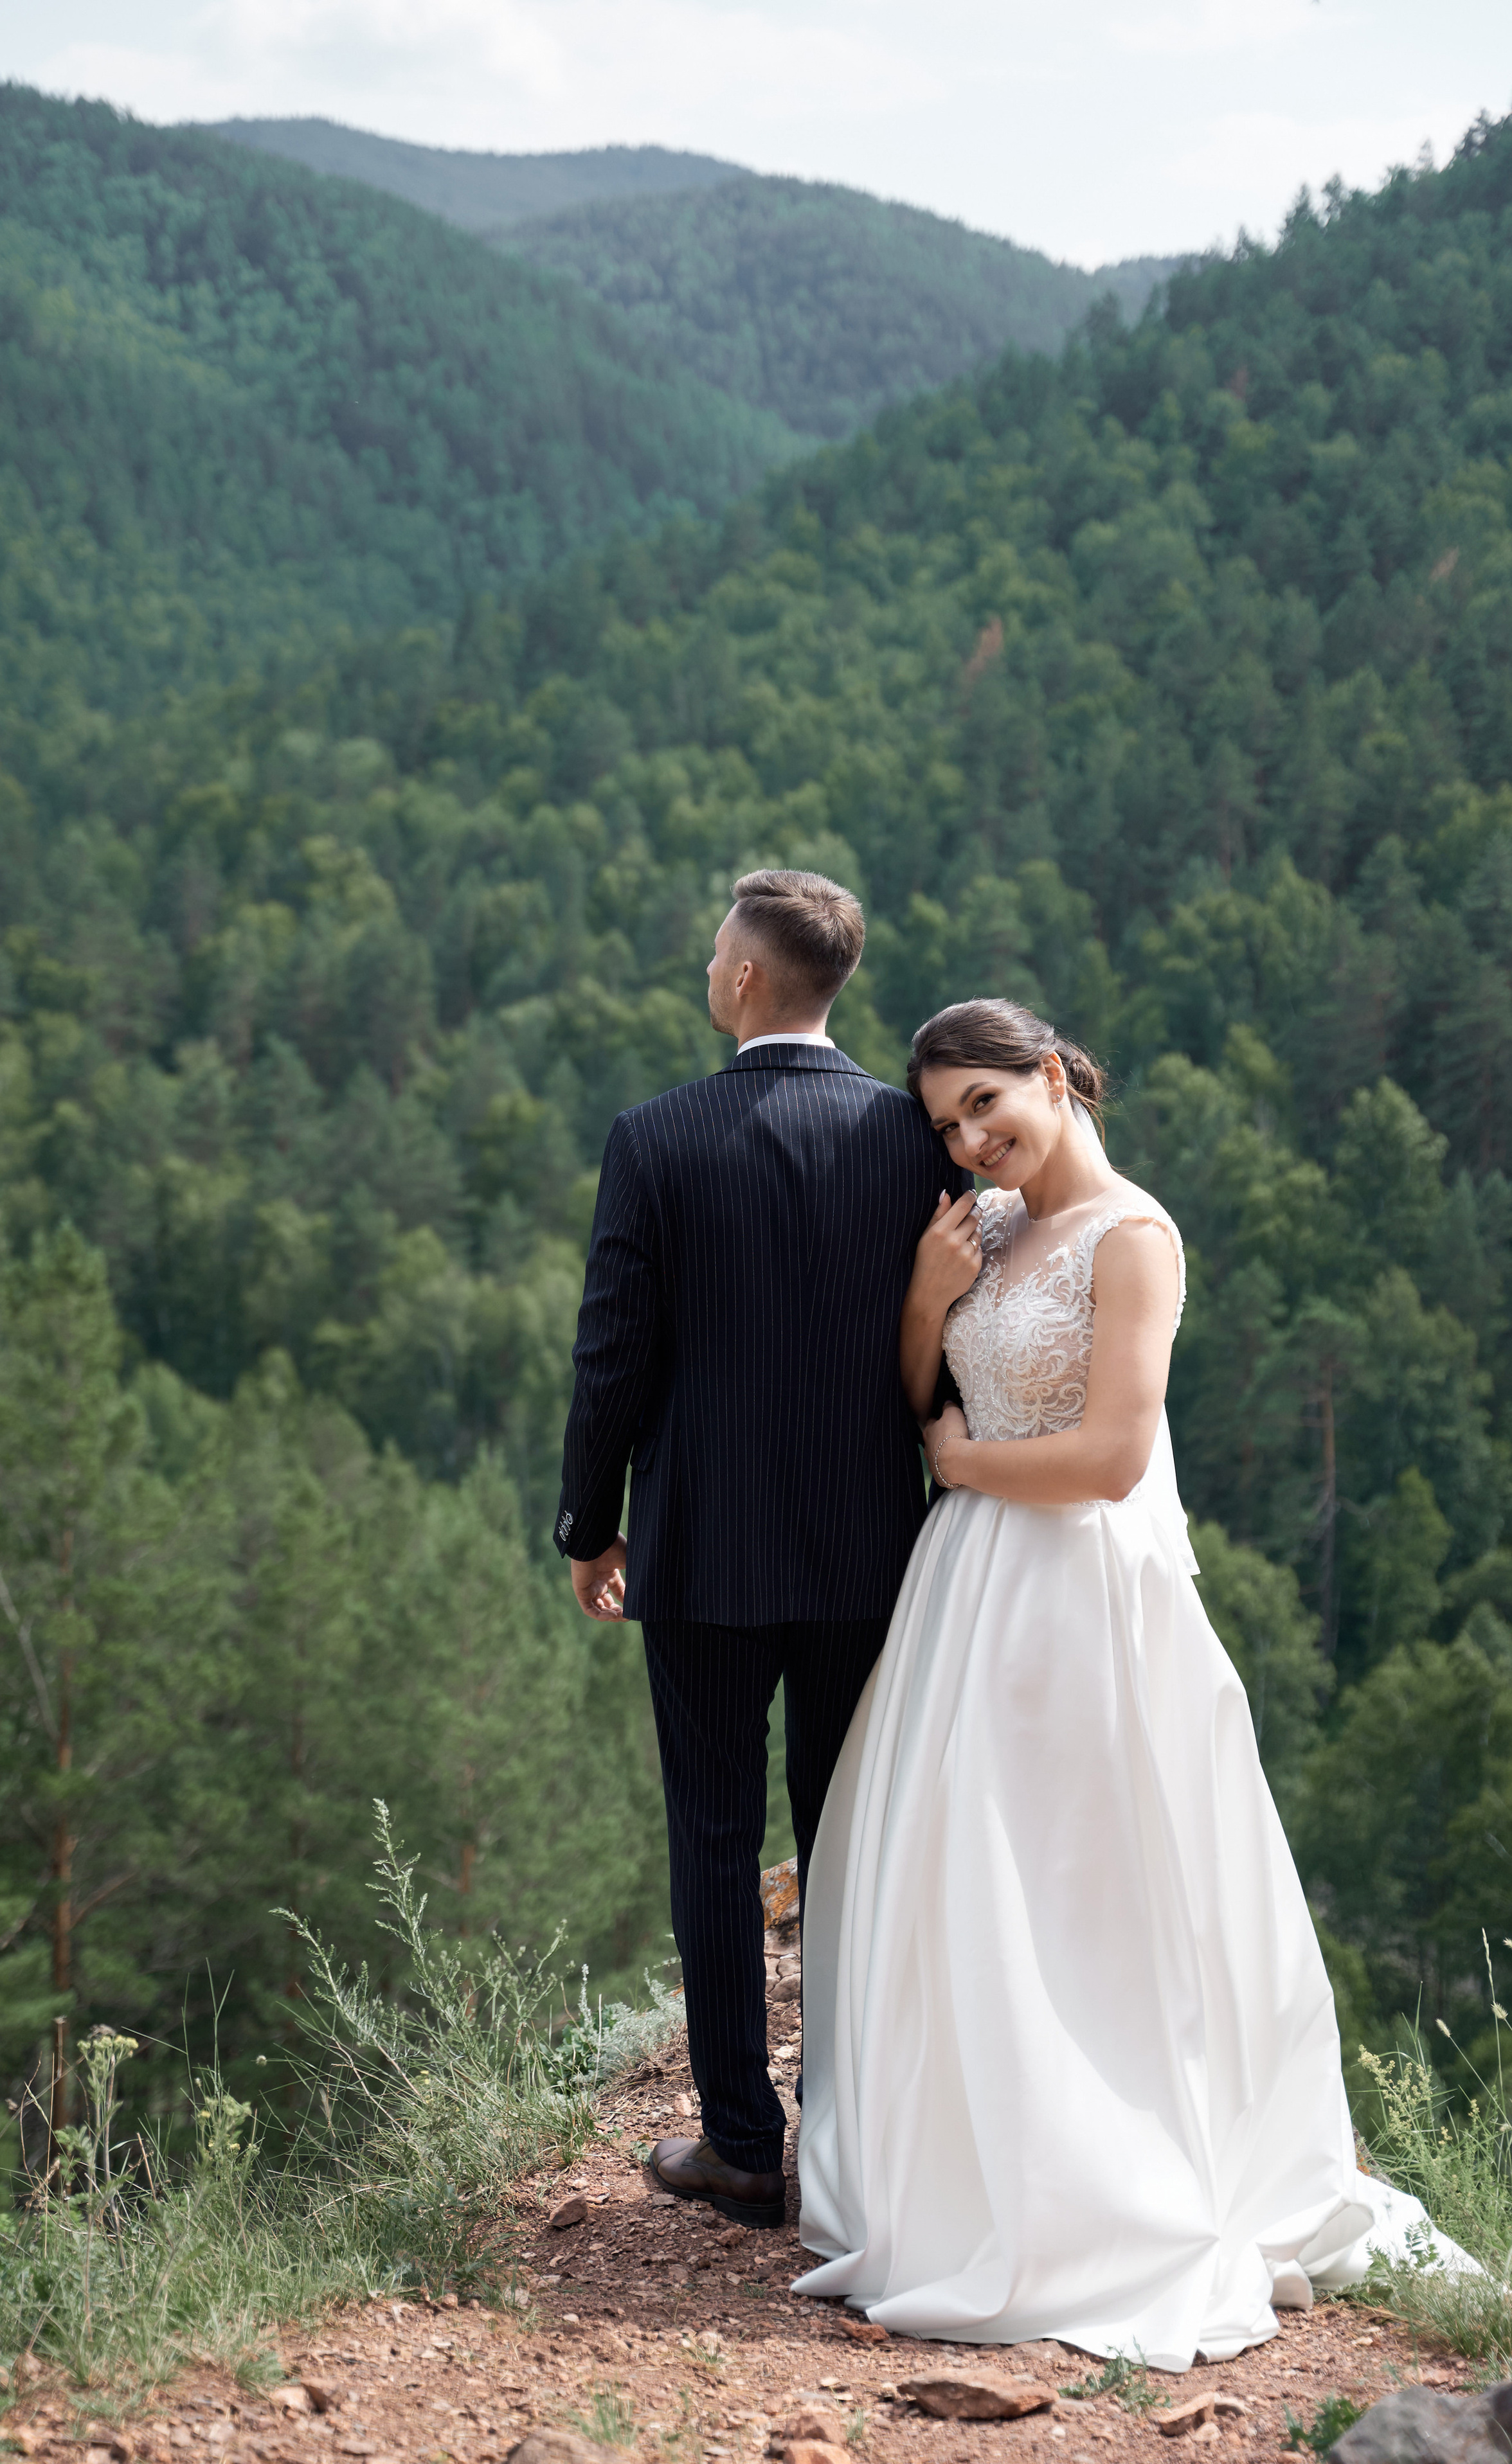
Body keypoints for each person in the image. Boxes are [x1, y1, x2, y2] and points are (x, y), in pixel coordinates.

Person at [794, 995, 1436, 2367]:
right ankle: (963, 2165)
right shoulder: (991, 1230)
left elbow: (1106, 1460)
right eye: (947, 1124)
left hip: (1074, 1589)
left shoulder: (1132, 1239)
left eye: (985, 1104)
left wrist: (961, 1468)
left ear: (1051, 1075)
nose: (970, 1141)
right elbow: (919, 1394)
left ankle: (1105, 2191)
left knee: (1083, 1889)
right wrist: (923, 1299)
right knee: (962, 1878)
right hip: (966, 1591)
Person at [555, 870, 966, 2229]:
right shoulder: (913, 1141)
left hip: (704, 1553)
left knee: (714, 1839)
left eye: (714, 948)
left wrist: (586, 1523)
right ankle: (856, 2145)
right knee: (847, 1844)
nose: (709, 962)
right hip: (869, 1551)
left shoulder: (655, 1137)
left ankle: (741, 2143)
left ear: (744, 979)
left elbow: (612, 1351)